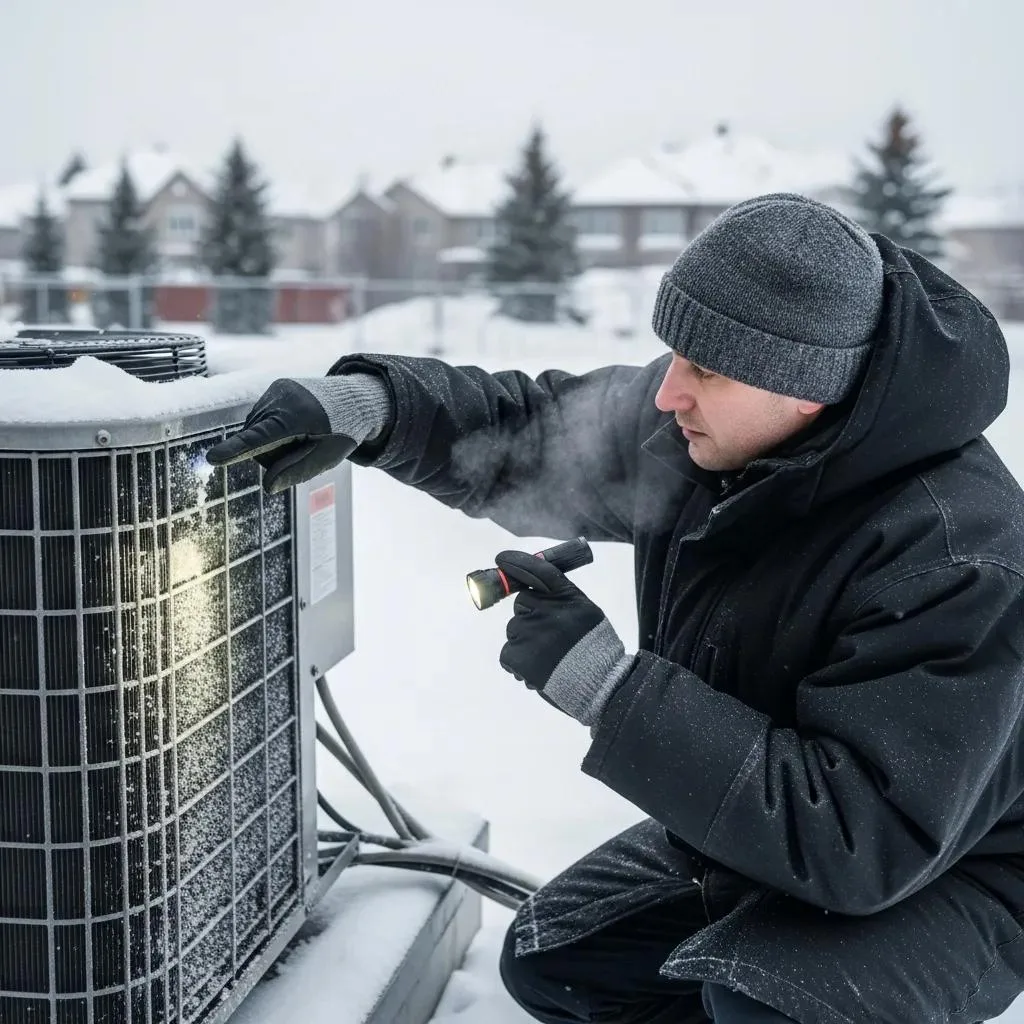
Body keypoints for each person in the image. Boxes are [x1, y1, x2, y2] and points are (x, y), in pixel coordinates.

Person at [206, 193, 1024, 1024]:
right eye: (675, 354)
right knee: (556, 961)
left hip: (955, 869)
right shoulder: (715, 435)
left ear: (806, 389)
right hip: (780, 830)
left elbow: (864, 839)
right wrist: (373, 412)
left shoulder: (953, 557)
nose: (670, 393)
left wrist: (605, 686)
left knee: (768, 1007)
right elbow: (532, 428)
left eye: (707, 370)